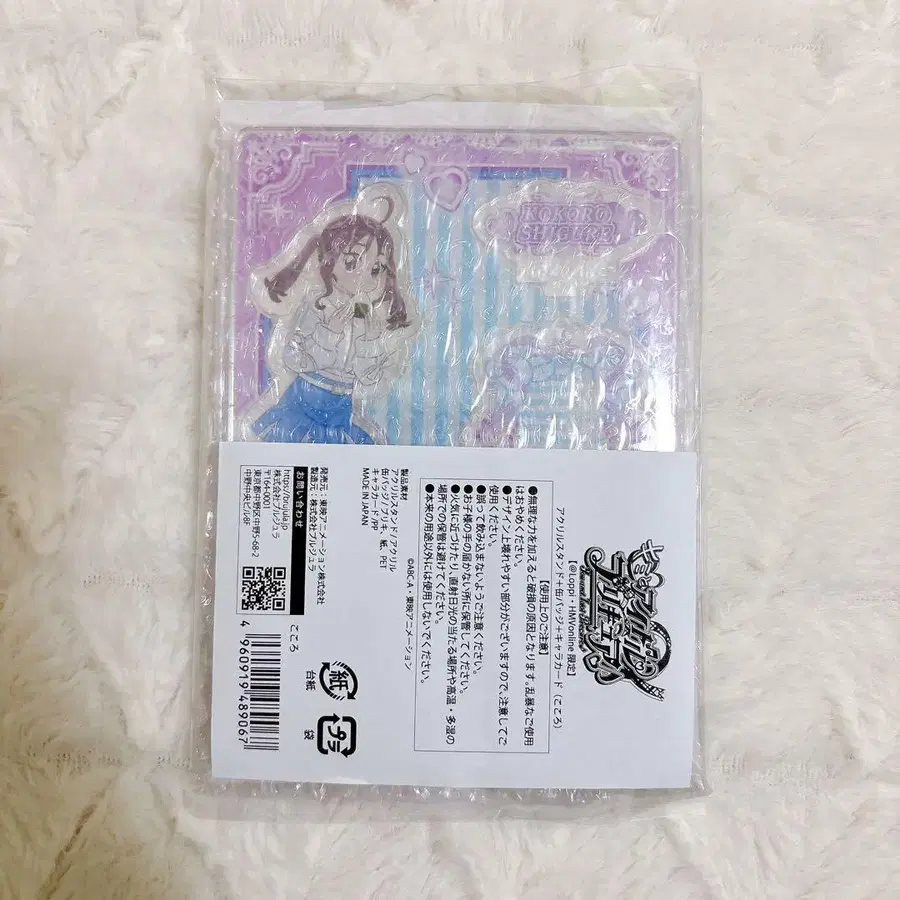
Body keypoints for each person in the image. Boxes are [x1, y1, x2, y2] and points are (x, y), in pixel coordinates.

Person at [247, 186, 414, 444]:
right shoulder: (317, 305)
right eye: (351, 263)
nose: (363, 276)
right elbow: (293, 357)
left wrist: (370, 345)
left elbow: (366, 377)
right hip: (304, 403)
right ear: (329, 261)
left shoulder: (365, 315)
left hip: (341, 410)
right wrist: (329, 333)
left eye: (376, 268)